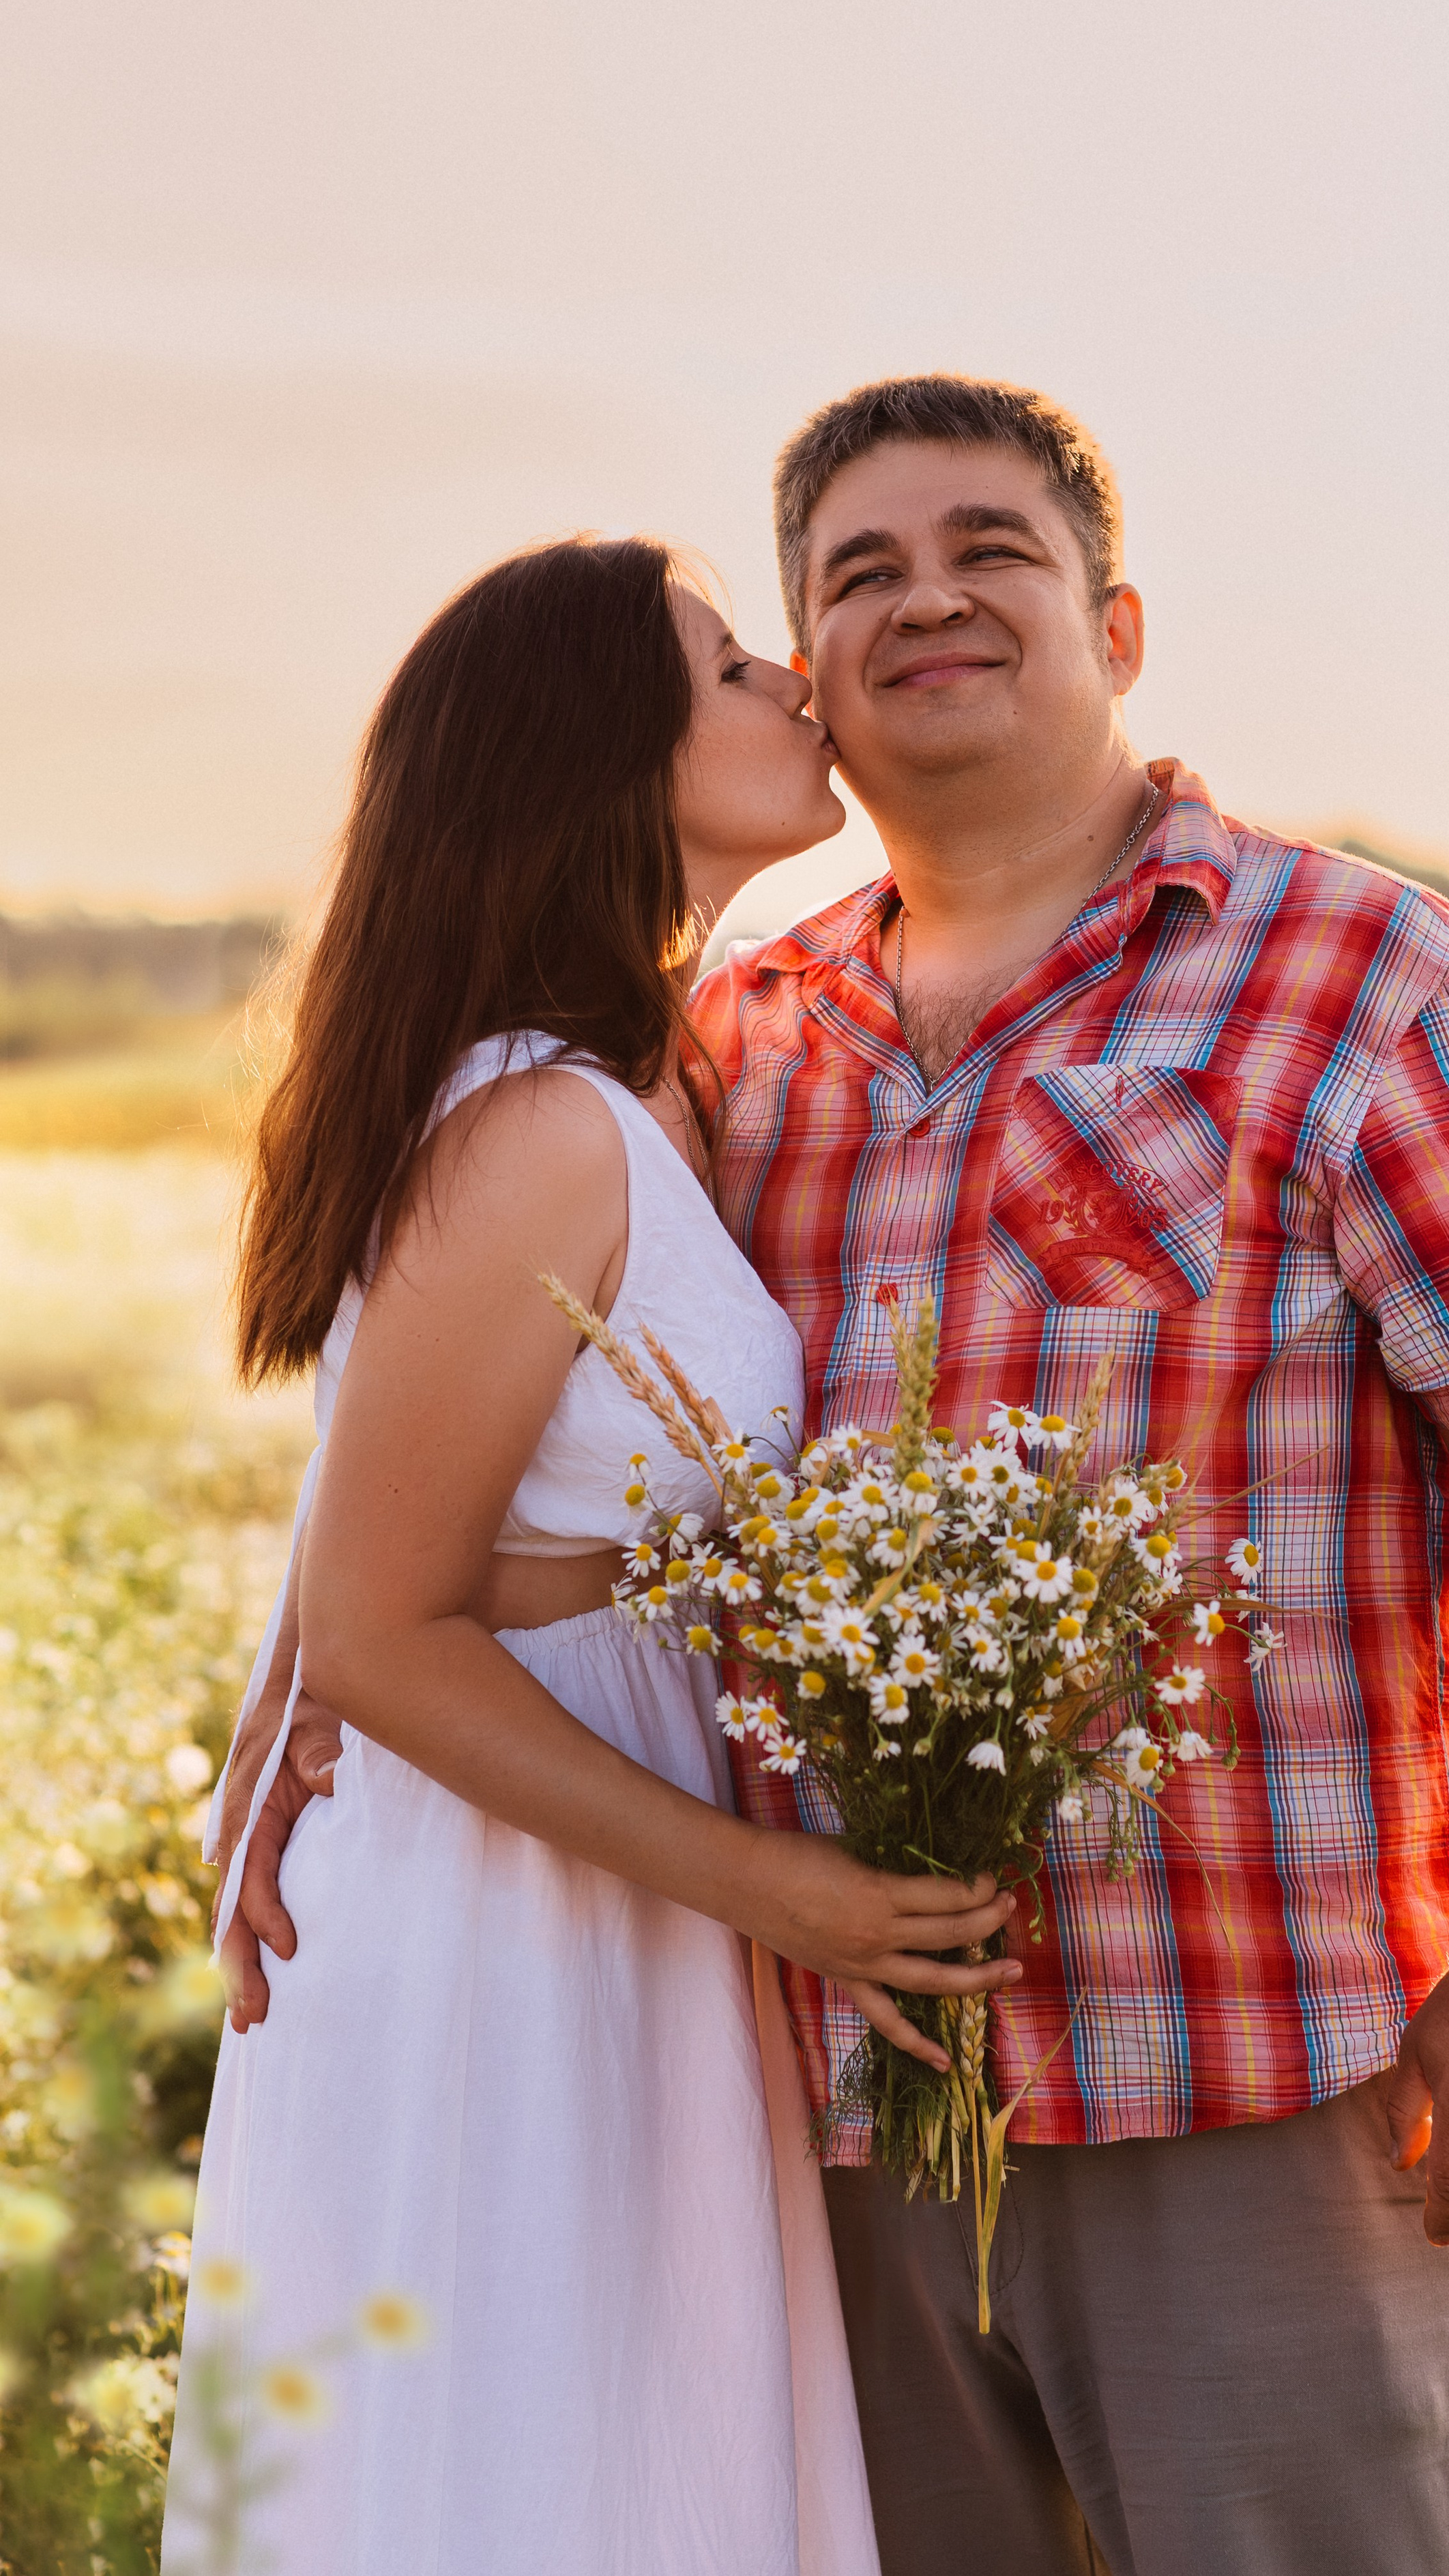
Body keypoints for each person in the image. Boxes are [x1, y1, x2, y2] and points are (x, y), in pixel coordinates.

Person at [229, 381, 1449, 2576]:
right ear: (810, 667)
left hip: (1254, 2063)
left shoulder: (1365, 977)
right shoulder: (729, 1048)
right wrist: (315, 1658)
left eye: (987, 547)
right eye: (853, 577)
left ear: (1118, 615)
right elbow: (493, 1441)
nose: (924, 601)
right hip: (828, 2102)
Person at [168, 535, 1023, 2576]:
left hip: (616, 1835)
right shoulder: (535, 1122)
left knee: (650, 2448)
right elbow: (393, 1618)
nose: (800, 680)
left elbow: (397, 1492)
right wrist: (784, 1889)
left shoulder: (666, 1066)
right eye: (736, 665)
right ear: (607, 752)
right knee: (541, 2461)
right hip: (515, 1884)